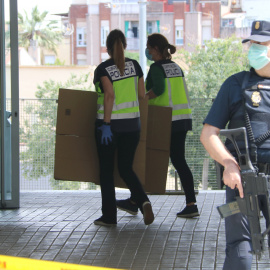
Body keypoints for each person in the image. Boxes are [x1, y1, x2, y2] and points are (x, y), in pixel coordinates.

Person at [200, 20, 270, 270]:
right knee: (239, 252)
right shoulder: (234, 84)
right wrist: (229, 164)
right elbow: (208, 134)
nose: (253, 48)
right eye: (251, 43)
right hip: (242, 180)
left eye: (260, 43)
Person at [116, 33, 199, 218]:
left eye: (148, 47)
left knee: (146, 158)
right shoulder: (176, 67)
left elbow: (159, 89)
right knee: (179, 161)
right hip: (182, 119)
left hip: (164, 121)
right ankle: (191, 204)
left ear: (154, 49)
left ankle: (135, 201)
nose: (147, 50)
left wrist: (144, 98)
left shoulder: (156, 68)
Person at [93, 29, 154, 227]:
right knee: (126, 168)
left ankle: (109, 217)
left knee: (106, 171)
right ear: (125, 45)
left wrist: (107, 124)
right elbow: (142, 95)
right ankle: (143, 200)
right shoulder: (135, 66)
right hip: (133, 126)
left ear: (107, 47)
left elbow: (109, 95)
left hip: (109, 128)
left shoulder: (103, 69)